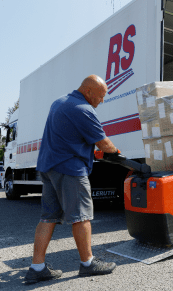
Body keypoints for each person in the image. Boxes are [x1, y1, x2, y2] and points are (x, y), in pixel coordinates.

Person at [24, 75, 125, 284]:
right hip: (69, 169)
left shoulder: (59, 102)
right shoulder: (83, 109)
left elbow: (68, 136)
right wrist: (114, 151)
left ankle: (37, 267)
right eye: (101, 96)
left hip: (49, 167)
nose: (102, 101)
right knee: (81, 216)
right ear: (89, 91)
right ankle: (88, 263)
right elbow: (104, 144)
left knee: (48, 217)